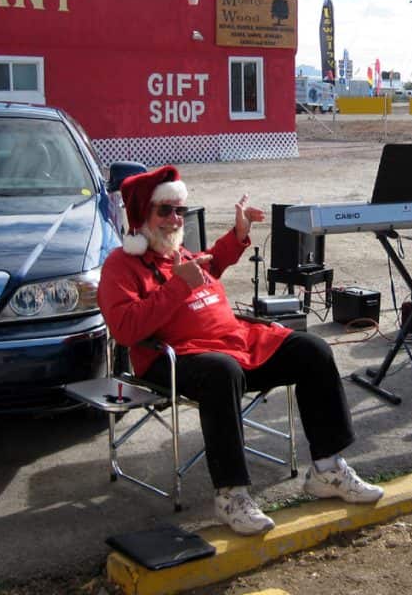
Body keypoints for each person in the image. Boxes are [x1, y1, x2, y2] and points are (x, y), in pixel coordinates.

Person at [97, 165, 383, 536]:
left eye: (179, 210)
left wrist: (238, 235)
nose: (174, 219)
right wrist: (177, 288)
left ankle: (327, 469)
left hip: (233, 343)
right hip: (171, 359)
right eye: (164, 210)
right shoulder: (121, 265)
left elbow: (210, 265)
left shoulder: (176, 251)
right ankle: (232, 494)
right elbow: (125, 328)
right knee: (221, 373)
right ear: (140, 217)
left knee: (312, 349)